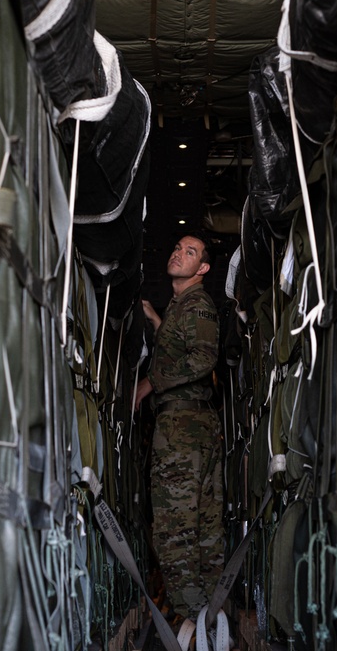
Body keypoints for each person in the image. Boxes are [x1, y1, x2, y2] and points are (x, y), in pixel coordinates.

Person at [135, 234, 225, 625]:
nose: (178, 253)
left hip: (182, 431)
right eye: (177, 247)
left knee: (175, 532)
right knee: (203, 531)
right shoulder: (181, 307)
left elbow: (203, 359)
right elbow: (181, 345)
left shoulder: (197, 304)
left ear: (202, 269)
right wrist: (158, 322)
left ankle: (190, 623)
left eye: (190, 252)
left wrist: (150, 381)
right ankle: (209, 623)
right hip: (191, 428)